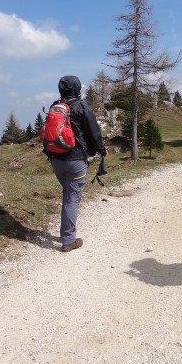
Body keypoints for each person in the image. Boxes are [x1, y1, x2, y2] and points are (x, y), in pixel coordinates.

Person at [45, 75, 108, 252]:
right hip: (75, 160)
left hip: (56, 159)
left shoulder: (55, 107)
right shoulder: (81, 107)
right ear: (77, 88)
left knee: (68, 194)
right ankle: (68, 240)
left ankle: (66, 232)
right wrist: (102, 149)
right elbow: (94, 132)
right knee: (72, 198)